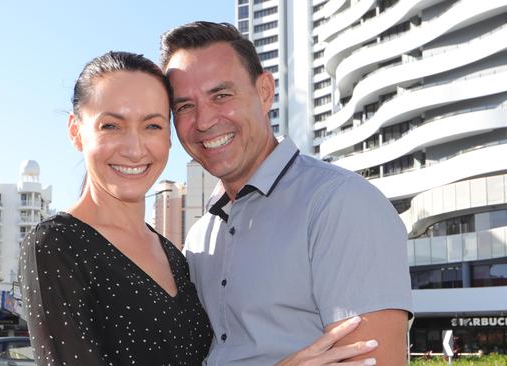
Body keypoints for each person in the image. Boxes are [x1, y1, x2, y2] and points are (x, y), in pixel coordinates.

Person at [20, 51, 380, 366]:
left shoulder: (177, 254)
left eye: (152, 126)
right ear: (75, 131)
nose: (134, 148)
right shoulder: (55, 245)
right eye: (111, 125)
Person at [160, 21, 413, 366]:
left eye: (221, 95)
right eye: (185, 106)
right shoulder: (200, 236)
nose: (204, 121)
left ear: (265, 92)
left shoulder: (340, 204)